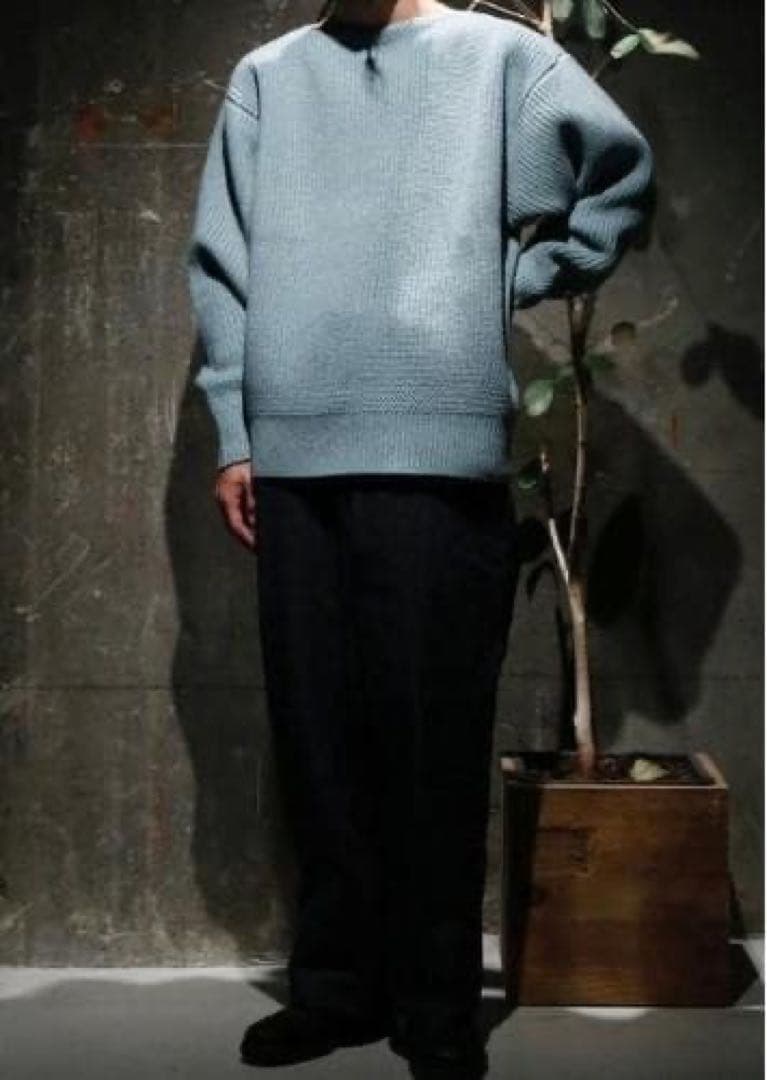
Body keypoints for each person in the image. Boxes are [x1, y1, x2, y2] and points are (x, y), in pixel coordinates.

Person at [186, 1, 655, 1075]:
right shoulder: (268, 76)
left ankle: (434, 999)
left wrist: (512, 279)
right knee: (317, 738)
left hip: (440, 455)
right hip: (294, 453)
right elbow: (221, 263)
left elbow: (616, 175)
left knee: (432, 741)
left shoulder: (498, 58)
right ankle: (334, 989)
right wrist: (234, 435)